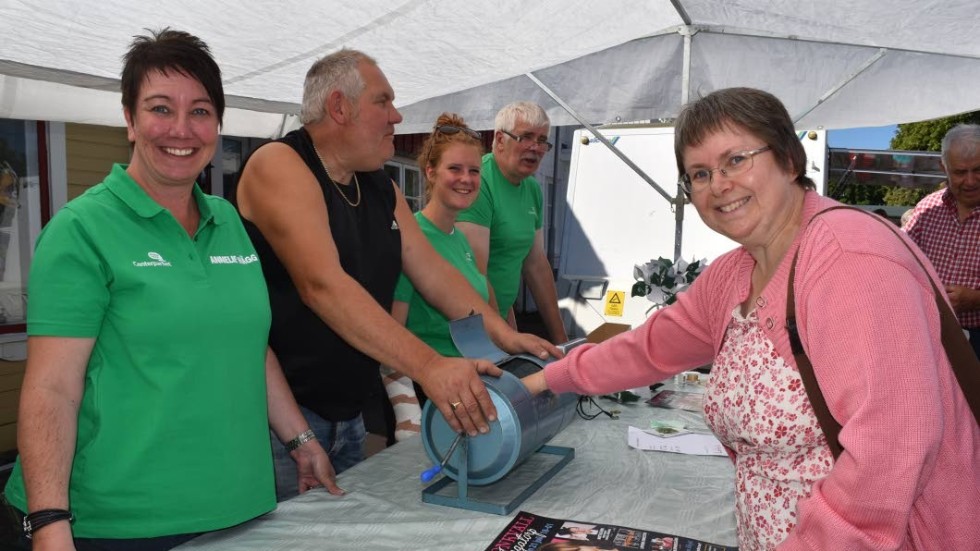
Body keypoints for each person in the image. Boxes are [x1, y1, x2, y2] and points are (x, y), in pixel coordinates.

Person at [522, 88, 980, 549]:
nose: (718, 184)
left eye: (736, 159)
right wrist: (542, 382)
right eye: (699, 174)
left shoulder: (848, 260)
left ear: (788, 159)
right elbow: (652, 347)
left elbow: (891, 453)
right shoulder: (737, 270)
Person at [1, 29, 340, 551]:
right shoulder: (82, 230)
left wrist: (301, 439)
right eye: (161, 108)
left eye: (200, 111)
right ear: (130, 119)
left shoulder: (226, 219)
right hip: (117, 524)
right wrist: (49, 525)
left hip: (238, 507)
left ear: (218, 124)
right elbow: (52, 389)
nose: (181, 129)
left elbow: (248, 345)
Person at [235, 50, 559, 500]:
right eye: (383, 101)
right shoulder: (280, 163)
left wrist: (505, 335)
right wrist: (431, 367)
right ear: (339, 107)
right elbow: (322, 286)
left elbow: (433, 273)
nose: (397, 115)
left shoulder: (378, 184)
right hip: (283, 421)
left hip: (349, 414)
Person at [383, 113, 490, 440]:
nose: (466, 179)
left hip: (470, 390)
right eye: (455, 169)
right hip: (432, 400)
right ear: (430, 172)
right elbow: (389, 337)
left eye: (474, 171)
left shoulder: (461, 239)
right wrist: (408, 415)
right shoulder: (411, 239)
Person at [456, 101, 569, 344]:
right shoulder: (479, 181)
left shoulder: (531, 188)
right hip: (466, 328)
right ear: (499, 140)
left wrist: (562, 343)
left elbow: (536, 264)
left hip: (497, 322)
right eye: (526, 137)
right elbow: (476, 272)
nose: (535, 148)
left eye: (542, 140)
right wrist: (507, 337)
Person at [903, 124, 980, 358]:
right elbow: (898, 259)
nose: (970, 181)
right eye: (959, 172)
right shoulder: (928, 208)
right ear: (943, 167)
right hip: (932, 332)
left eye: (978, 170)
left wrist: (976, 299)